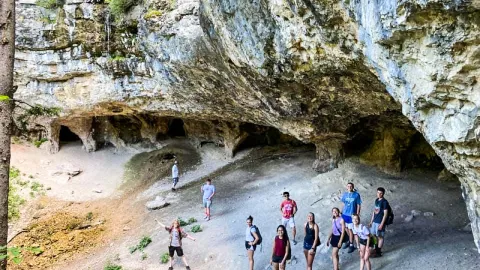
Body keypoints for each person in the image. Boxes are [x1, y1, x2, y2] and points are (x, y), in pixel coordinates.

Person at [341, 182, 362, 253]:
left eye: (351, 186)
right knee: (346, 228)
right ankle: (350, 240)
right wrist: (342, 211)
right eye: (348, 186)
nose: (349, 187)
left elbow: (358, 205)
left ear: (353, 187)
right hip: (344, 214)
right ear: (346, 187)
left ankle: (351, 245)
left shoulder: (356, 195)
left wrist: (357, 214)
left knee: (350, 230)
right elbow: (343, 203)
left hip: (351, 215)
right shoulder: (345, 194)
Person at [369, 187, 389, 257]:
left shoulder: (384, 202)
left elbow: (385, 214)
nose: (379, 194)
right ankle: (376, 248)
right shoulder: (376, 200)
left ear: (383, 194)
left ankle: (378, 251)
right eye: (378, 192)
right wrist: (371, 221)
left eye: (381, 193)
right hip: (375, 221)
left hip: (380, 222)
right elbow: (374, 211)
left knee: (380, 237)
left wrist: (381, 224)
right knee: (373, 235)